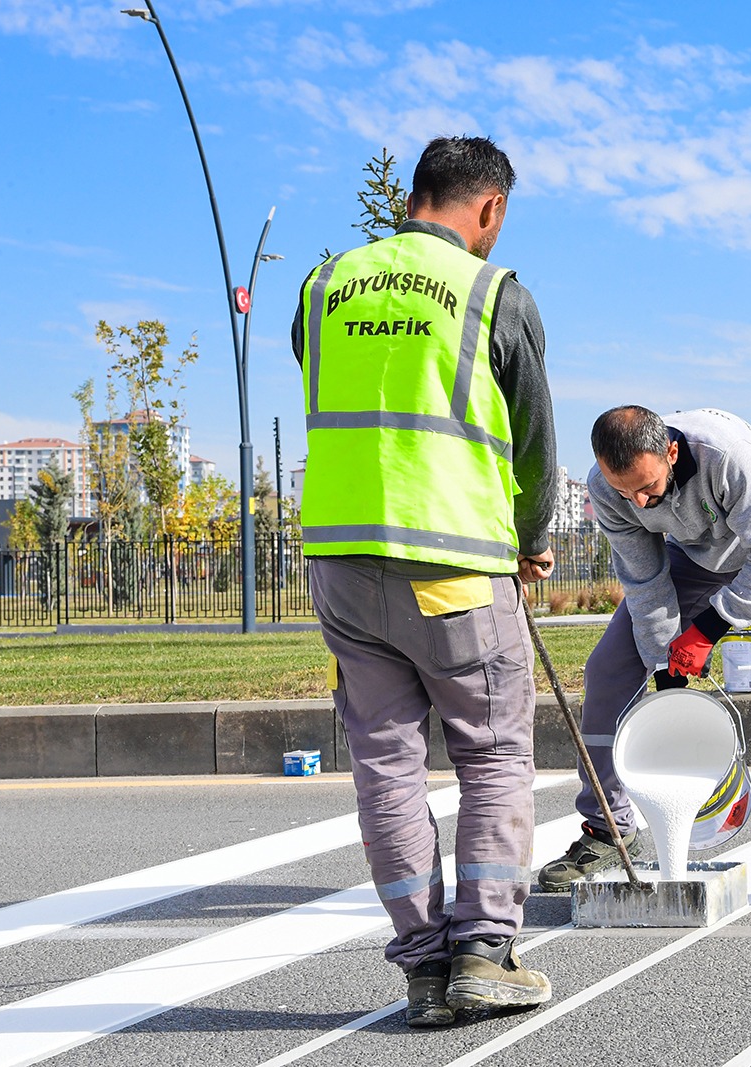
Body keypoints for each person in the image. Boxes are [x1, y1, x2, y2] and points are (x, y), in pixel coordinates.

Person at [290, 135, 558, 1028]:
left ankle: (423, 969)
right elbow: (533, 443)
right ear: (489, 209)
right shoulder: (494, 293)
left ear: (415, 197)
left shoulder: (324, 286)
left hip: (341, 564)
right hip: (454, 567)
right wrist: (530, 543)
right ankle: (485, 948)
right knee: (491, 752)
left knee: (386, 764)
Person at [538, 405, 751, 912]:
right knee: (607, 672)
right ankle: (609, 830)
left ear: (671, 451)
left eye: (647, 487)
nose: (639, 501)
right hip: (695, 556)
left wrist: (709, 628)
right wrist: (665, 668)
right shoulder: (609, 489)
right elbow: (645, 583)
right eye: (626, 492)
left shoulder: (723, 457)